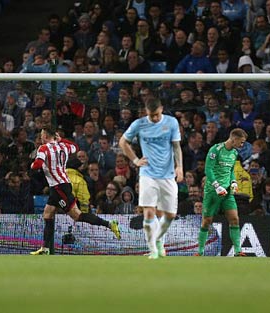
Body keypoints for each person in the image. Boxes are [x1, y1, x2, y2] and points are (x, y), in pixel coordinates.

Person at [30, 127, 120, 255]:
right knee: (47, 213)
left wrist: (32, 165)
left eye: (41, 135)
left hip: (59, 187)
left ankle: (110, 224)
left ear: (45, 135)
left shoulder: (44, 148)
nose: (41, 137)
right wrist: (62, 139)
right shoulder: (64, 146)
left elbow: (37, 164)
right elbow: (76, 147)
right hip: (60, 185)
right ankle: (45, 248)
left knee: (77, 216)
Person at [119, 98, 184, 259]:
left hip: (167, 175)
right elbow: (123, 142)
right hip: (147, 174)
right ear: (146, 111)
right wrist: (135, 160)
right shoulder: (139, 124)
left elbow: (176, 146)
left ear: (161, 109)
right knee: (148, 213)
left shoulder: (172, 122)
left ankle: (159, 239)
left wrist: (179, 166)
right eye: (151, 115)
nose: (154, 118)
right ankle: (153, 249)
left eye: (156, 115)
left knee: (169, 215)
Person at [196, 128, 248, 257]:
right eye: (241, 142)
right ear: (234, 139)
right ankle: (200, 251)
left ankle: (237, 251)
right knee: (207, 221)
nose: (242, 145)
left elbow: (230, 170)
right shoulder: (215, 150)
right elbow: (208, 169)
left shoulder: (234, 153)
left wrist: (234, 181)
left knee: (234, 219)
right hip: (213, 191)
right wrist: (217, 186)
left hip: (227, 192)